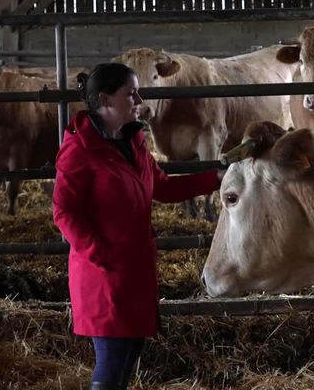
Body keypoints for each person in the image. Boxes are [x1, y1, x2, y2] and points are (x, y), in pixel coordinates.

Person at [52, 62, 221, 390]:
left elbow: (163, 188)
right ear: (106, 100)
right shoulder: (80, 149)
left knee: (129, 356)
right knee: (112, 362)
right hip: (104, 275)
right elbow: (64, 211)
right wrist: (99, 253)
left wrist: (214, 179)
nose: (139, 99)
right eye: (131, 94)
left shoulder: (133, 142)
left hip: (135, 270)